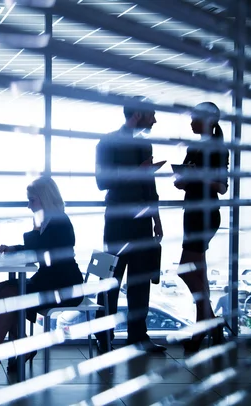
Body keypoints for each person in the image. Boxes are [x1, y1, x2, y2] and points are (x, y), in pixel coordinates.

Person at [0, 177, 83, 382]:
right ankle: (23, 347)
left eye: (32, 200)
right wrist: (13, 248)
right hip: (49, 280)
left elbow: (42, 251)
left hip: (63, 285)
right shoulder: (50, 220)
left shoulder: (59, 221)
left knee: (6, 294)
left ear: (45, 199)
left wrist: (33, 230)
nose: (28, 205)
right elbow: (39, 248)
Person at [94, 98, 167, 354]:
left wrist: (156, 220)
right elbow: (102, 182)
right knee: (111, 281)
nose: (155, 120)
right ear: (137, 114)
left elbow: (150, 185)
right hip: (117, 221)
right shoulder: (107, 142)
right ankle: (104, 338)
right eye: (152, 115)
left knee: (140, 282)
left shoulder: (144, 144)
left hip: (142, 223)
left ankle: (138, 336)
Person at [173, 102, 229, 352]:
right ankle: (208, 325)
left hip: (205, 214)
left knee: (186, 271)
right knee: (199, 276)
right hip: (192, 212)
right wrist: (183, 180)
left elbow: (222, 187)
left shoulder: (217, 149)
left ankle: (209, 321)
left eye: (194, 118)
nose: (191, 122)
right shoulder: (195, 147)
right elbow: (187, 181)